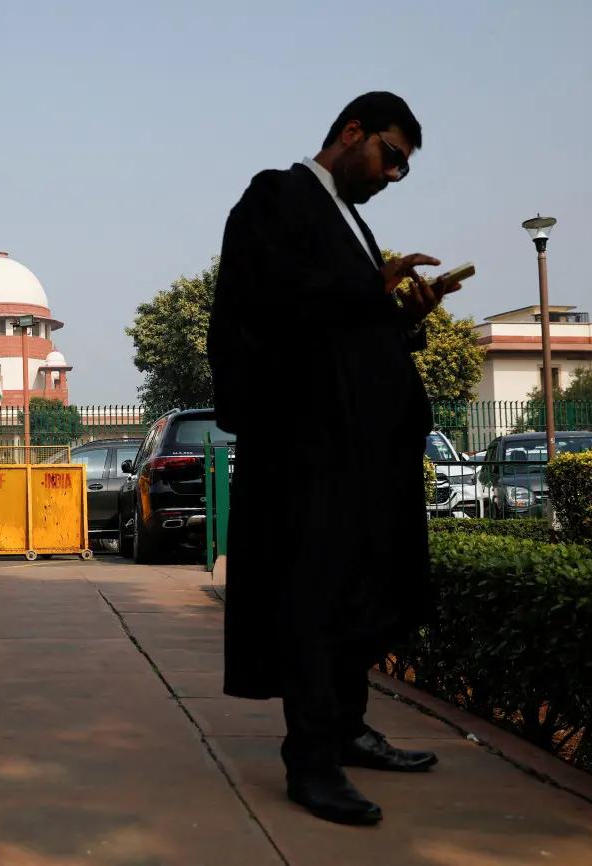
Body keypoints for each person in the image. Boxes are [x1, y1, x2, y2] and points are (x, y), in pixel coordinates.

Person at [207, 92, 462, 826]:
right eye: (390, 157)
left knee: (360, 594)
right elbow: (267, 304)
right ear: (352, 133)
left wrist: (400, 315)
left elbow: (341, 325)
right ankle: (311, 761)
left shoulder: (350, 220)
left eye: (403, 169)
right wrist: (366, 289)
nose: (391, 176)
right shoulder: (276, 196)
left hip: (362, 452)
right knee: (311, 600)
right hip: (306, 450)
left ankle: (347, 729)